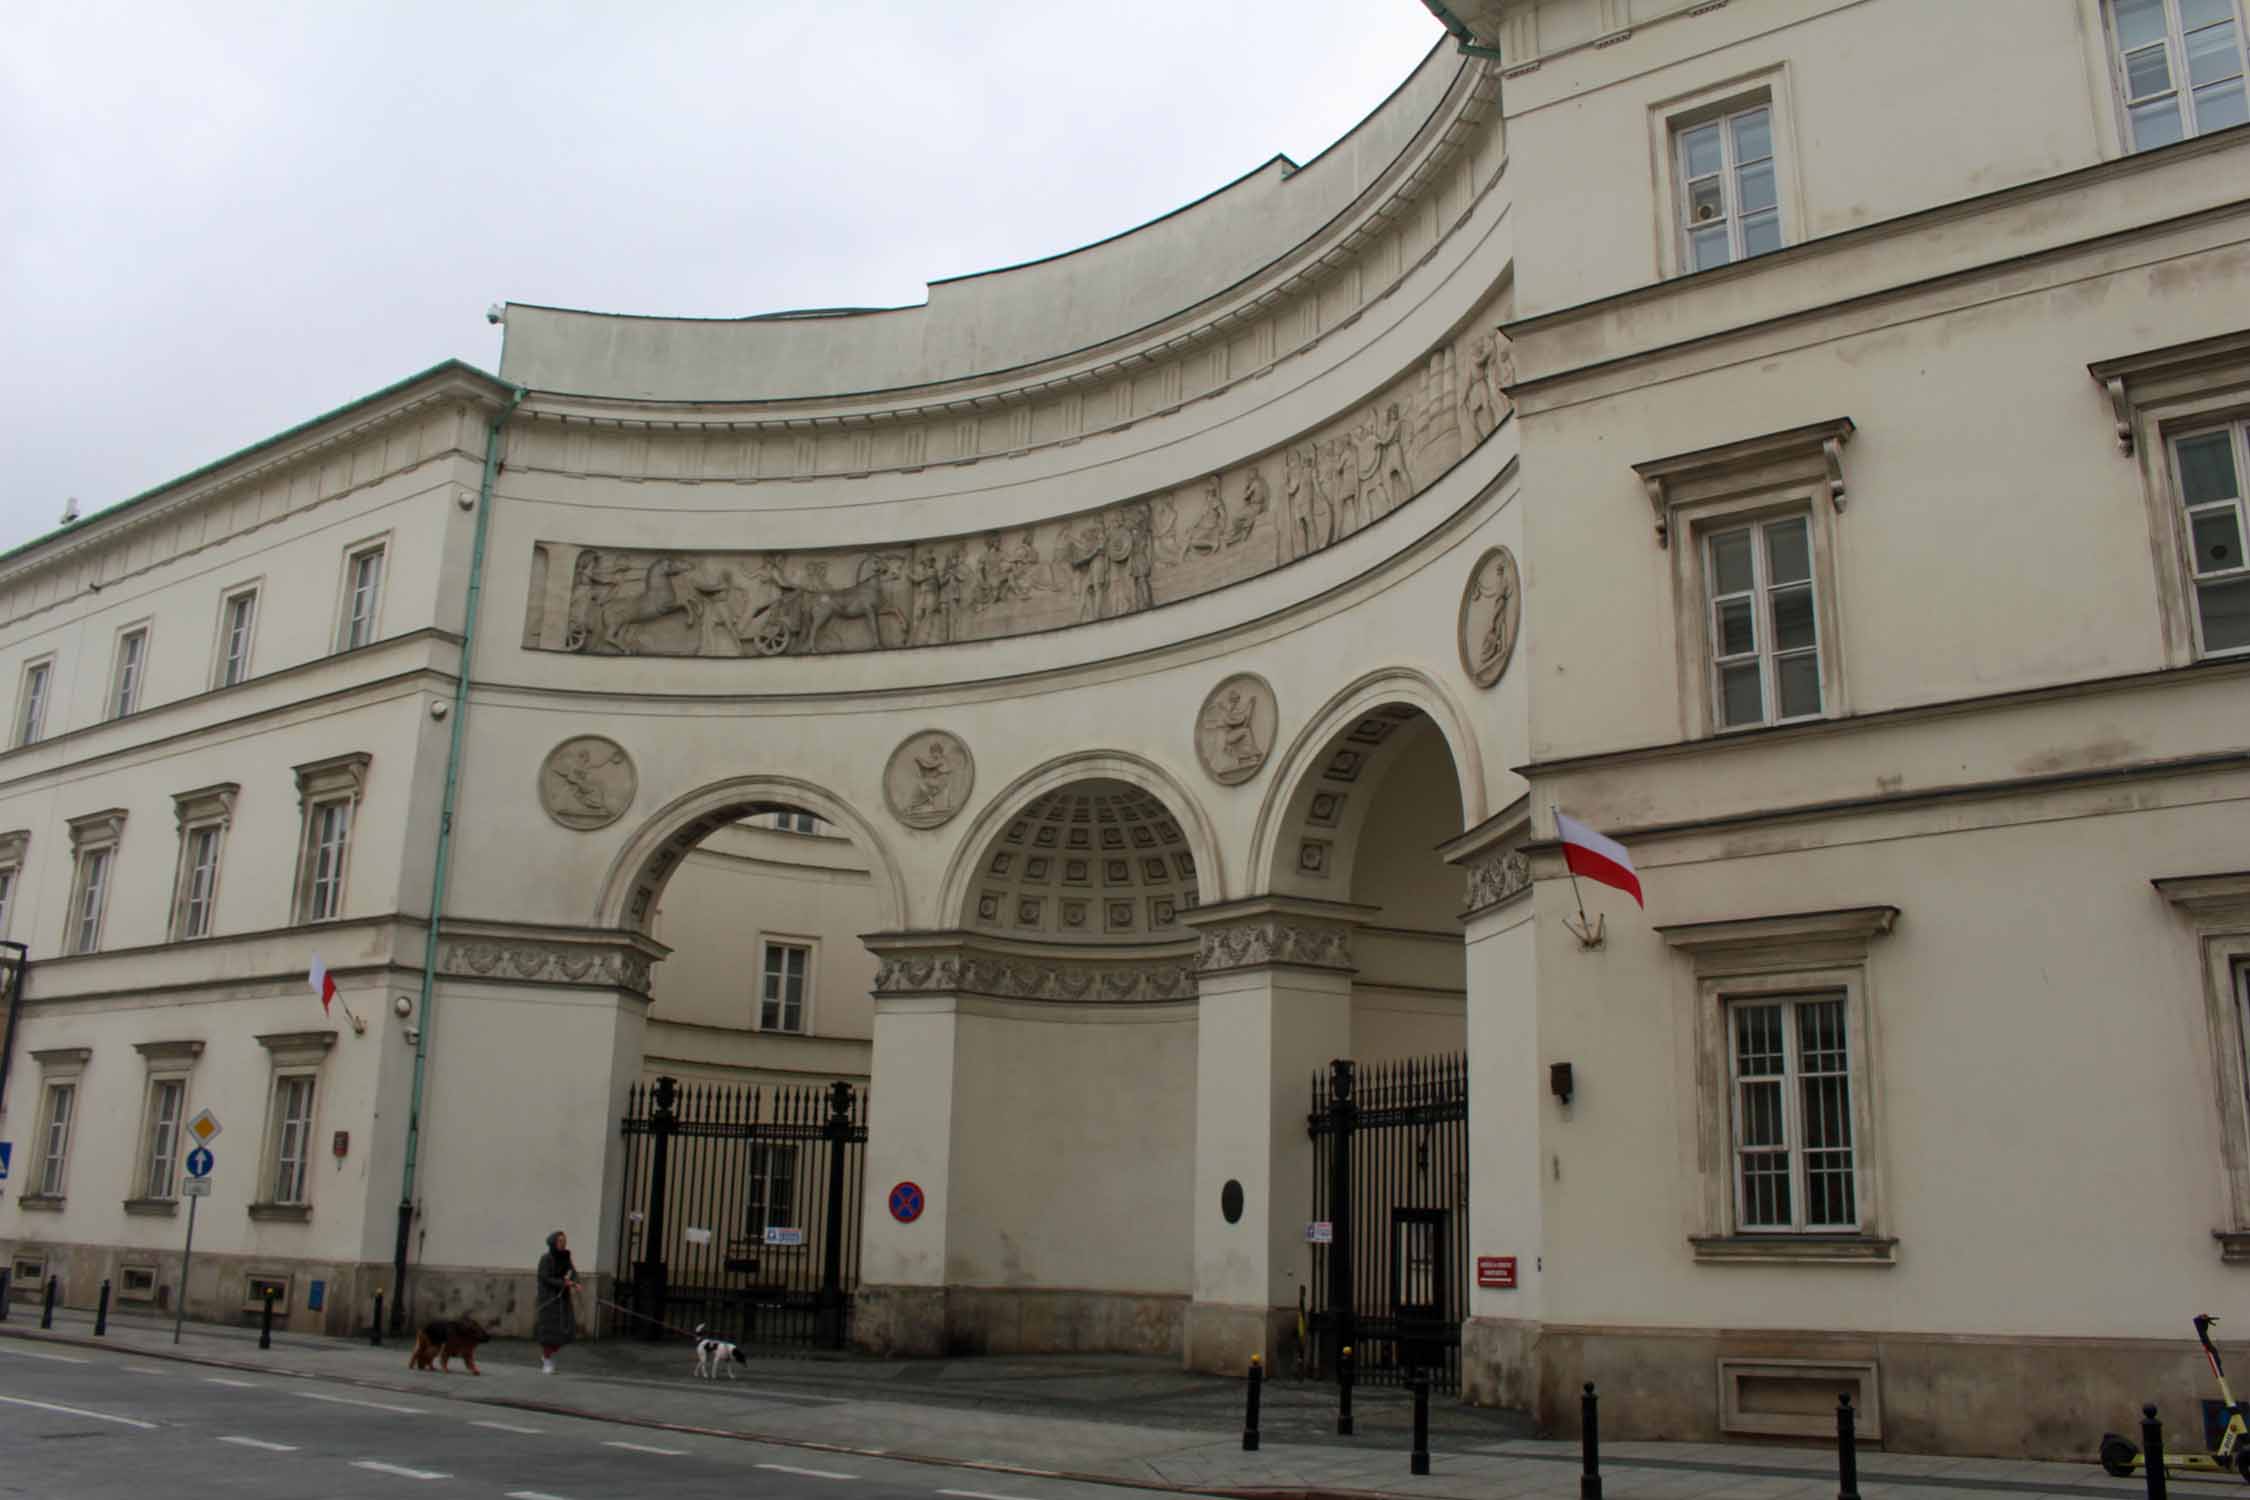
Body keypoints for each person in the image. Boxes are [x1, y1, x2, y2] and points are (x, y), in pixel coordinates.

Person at [535, 1229, 581, 1374]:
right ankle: (547, 1360)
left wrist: (575, 1282)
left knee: (564, 1331)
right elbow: (545, 1278)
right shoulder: (546, 1258)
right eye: (560, 1241)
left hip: (563, 1299)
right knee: (549, 1332)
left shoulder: (565, 1257)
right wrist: (563, 1283)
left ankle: (549, 1356)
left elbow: (572, 1271)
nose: (563, 1243)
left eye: (564, 1241)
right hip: (549, 1299)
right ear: (553, 1242)